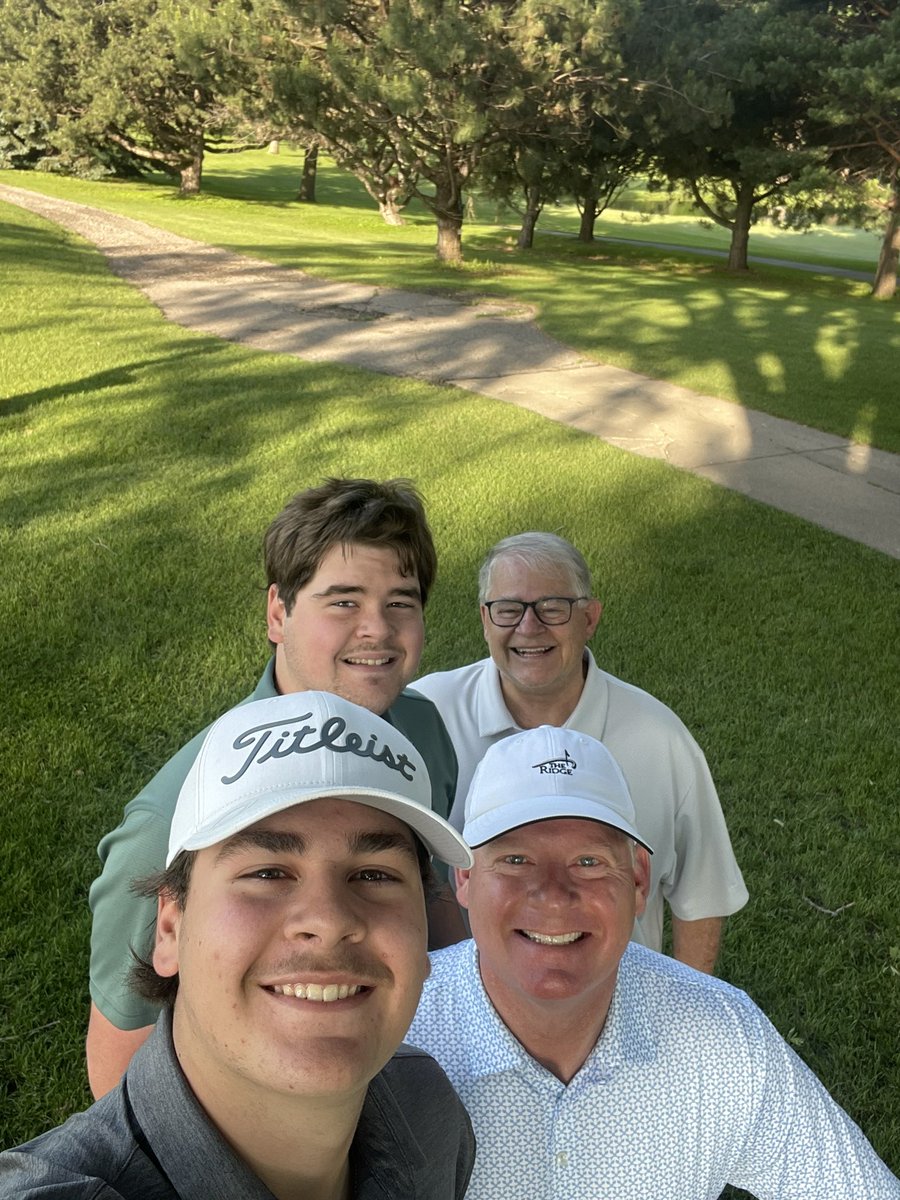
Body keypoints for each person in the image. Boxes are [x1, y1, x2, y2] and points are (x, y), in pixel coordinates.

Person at [1, 692, 475, 1200]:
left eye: (375, 874)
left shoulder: (429, 1111)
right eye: (267, 872)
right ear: (169, 928)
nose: (329, 920)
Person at [87, 477, 464, 1099]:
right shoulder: (169, 818)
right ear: (277, 613)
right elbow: (120, 1060)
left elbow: (434, 896)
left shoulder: (419, 725)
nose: (378, 630)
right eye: (342, 601)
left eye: (401, 602)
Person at [406, 726, 900, 1199]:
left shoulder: (720, 1037)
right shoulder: (396, 1034)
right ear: (464, 879)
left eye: (588, 861)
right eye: (515, 860)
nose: (553, 896)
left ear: (639, 880)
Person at [413, 530, 747, 972]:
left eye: (553, 608)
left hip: (620, 1008)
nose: (528, 628)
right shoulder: (426, 716)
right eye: (508, 609)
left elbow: (703, 893)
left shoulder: (659, 738)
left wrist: (681, 1008)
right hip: (460, 1015)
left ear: (589, 618)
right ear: (484, 619)